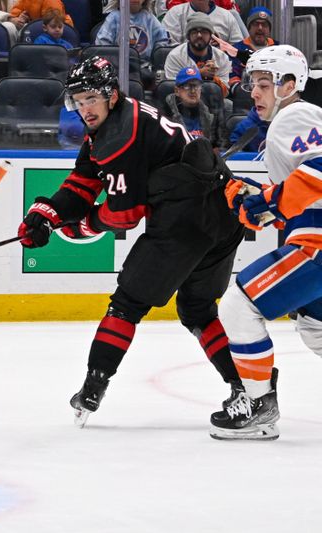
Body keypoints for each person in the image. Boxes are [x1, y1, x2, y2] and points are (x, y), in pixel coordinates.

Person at [17, 56, 245, 427]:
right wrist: (45, 214)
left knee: (126, 305)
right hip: (221, 213)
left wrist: (78, 229)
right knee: (198, 308)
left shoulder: (120, 135)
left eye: (91, 98)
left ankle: (93, 388)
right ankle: (244, 388)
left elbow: (125, 214)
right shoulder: (119, 120)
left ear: (110, 95)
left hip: (186, 220)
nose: (84, 108)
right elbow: (83, 182)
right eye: (78, 99)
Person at [210, 45, 322, 441]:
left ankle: (259, 406)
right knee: (316, 328)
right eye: (252, 85)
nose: (253, 93)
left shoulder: (295, 115)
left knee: (239, 306)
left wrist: (268, 201)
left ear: (289, 85)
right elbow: (299, 192)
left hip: (317, 243)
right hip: (311, 234)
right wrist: (253, 202)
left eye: (263, 84)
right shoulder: (290, 123)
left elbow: (319, 171)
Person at [164, 12, 232, 98]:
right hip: (182, 101)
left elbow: (224, 94)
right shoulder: (175, 56)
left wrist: (213, 78)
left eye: (204, 32)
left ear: (211, 36)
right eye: (194, 32)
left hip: (211, 101)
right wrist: (199, 73)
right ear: (188, 36)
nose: (199, 35)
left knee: (228, 104)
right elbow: (172, 89)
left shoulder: (222, 57)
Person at [164, 66, 225, 149]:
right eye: (187, 86)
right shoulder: (166, 116)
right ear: (177, 91)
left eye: (196, 86)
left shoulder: (210, 115)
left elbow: (220, 145)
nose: (193, 91)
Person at [94, 0, 168, 67]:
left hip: (144, 68)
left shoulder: (150, 19)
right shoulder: (114, 17)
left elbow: (162, 44)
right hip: (117, 68)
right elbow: (102, 46)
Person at [162, 0, 243, 46]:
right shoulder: (175, 13)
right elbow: (167, 47)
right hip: (185, 68)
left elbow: (238, 48)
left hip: (219, 67)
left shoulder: (227, 16)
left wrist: (222, 46)